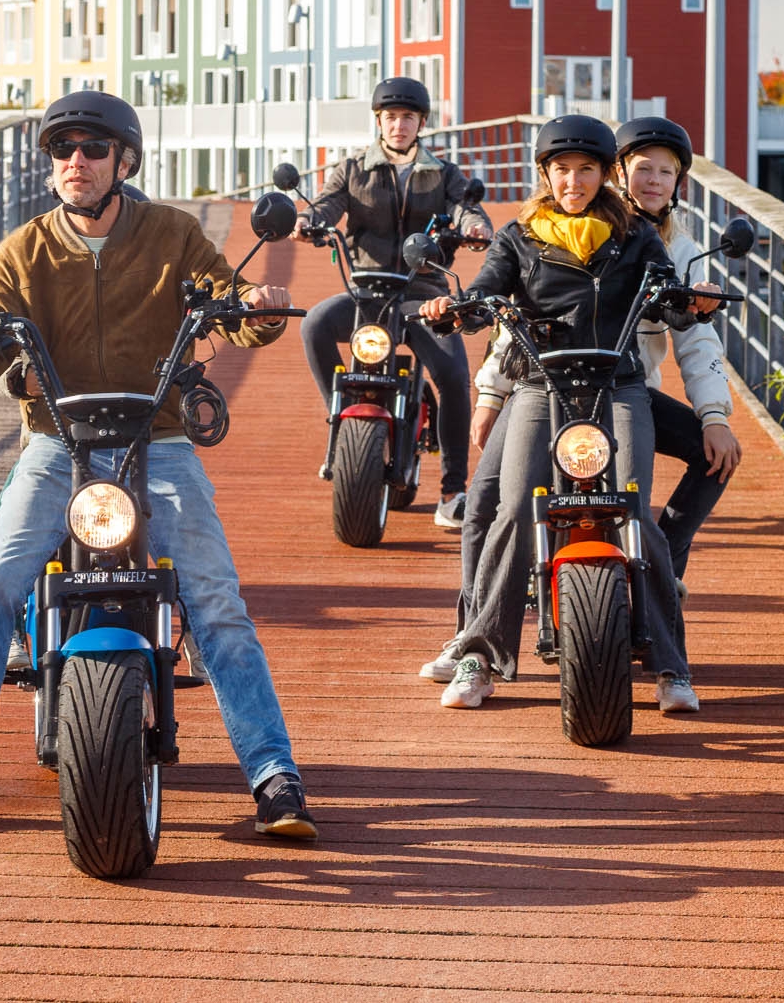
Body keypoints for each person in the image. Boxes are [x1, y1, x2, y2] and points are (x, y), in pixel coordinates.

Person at [0, 90, 318, 840]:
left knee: (216, 601)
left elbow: (229, 300)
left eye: (90, 149)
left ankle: (275, 775)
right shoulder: (22, 250)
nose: (74, 162)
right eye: (61, 151)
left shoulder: (173, 233)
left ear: (124, 160)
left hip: (160, 439)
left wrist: (259, 306)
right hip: (58, 442)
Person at [422, 118, 735, 681]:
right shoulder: (521, 235)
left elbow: (684, 319)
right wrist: (466, 331)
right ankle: (475, 645)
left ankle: (668, 656)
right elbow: (495, 304)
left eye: (668, 172)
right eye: (644, 170)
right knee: (499, 504)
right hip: (539, 384)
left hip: (621, 385)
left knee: (639, 509)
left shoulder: (649, 239)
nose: (654, 182)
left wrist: (696, 309)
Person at [299, 75, 487, 526]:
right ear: (378, 122)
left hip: (423, 295)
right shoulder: (351, 169)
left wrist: (475, 226)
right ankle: (341, 419)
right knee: (314, 325)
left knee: (454, 374)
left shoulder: (444, 173)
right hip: (365, 291)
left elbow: (466, 207)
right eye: (389, 117)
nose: (398, 125)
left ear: (421, 122)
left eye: (407, 117)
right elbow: (326, 204)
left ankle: (452, 491)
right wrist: (309, 219)